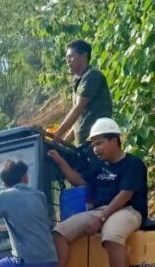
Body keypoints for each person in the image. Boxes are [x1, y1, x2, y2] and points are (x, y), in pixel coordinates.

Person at [48, 117, 148, 267]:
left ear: (115, 140)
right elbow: (81, 182)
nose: (95, 149)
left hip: (127, 209)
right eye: (93, 145)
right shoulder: (98, 167)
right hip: (100, 210)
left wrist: (101, 218)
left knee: (111, 236)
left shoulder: (133, 163)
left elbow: (125, 195)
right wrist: (61, 163)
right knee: (59, 232)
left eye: (99, 143)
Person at [50, 40, 113, 172]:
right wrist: (64, 142)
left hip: (96, 141)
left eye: (71, 56)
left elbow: (78, 108)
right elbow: (78, 121)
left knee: (99, 180)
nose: (68, 61)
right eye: (66, 58)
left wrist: (59, 133)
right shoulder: (78, 83)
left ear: (84, 56)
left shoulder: (92, 76)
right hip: (83, 145)